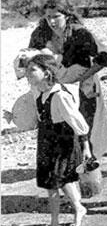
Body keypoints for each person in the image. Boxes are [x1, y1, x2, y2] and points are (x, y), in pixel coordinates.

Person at [28, 0, 107, 158]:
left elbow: (104, 59)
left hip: (84, 86)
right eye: (48, 17)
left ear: (66, 15)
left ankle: (89, 166)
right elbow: (31, 59)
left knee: (86, 127)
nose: (52, 22)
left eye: (56, 17)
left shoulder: (80, 33)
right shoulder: (40, 34)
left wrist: (81, 78)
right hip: (54, 89)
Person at [17, 54, 92, 226]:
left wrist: (86, 147)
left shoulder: (59, 96)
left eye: (32, 70)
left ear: (47, 72)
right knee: (53, 183)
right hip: (46, 143)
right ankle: (59, 218)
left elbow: (78, 123)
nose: (27, 74)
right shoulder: (40, 94)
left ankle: (70, 213)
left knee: (59, 180)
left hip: (62, 144)